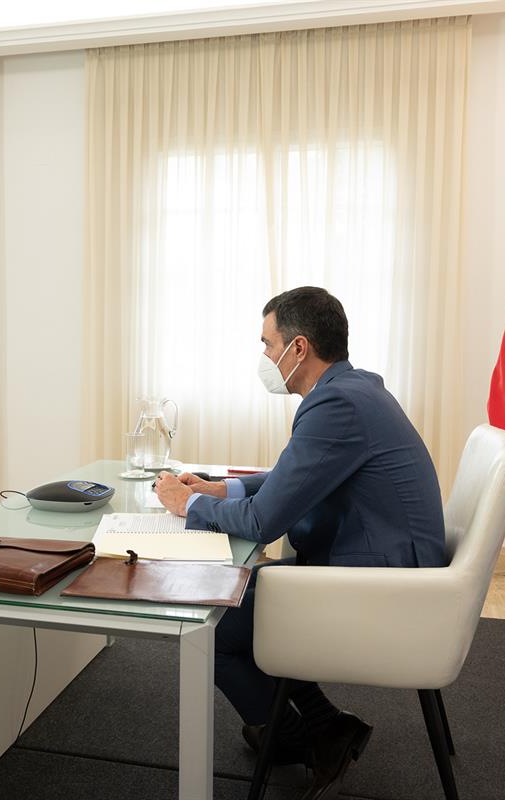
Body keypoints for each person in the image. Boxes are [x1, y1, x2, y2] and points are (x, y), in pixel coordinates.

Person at [155, 286, 446, 800]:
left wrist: (187, 505)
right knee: (246, 595)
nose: (264, 357)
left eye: (268, 344)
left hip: (383, 589)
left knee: (212, 624)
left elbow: (263, 522)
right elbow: (299, 474)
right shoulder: (355, 390)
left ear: (299, 348)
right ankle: (327, 726)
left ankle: (297, 741)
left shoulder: (335, 404)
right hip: (396, 570)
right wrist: (224, 488)